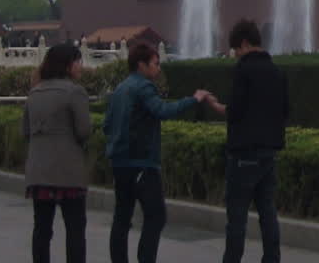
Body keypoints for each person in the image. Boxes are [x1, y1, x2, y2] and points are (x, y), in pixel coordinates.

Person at [103, 42, 210, 263]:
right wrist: (193, 99)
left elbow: (106, 125)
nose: (158, 68)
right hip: (141, 163)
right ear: (141, 65)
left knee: (122, 217)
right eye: (155, 63)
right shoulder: (144, 87)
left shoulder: (120, 89)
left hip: (120, 163)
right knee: (156, 216)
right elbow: (162, 110)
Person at [206, 19, 289, 263]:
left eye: (236, 50)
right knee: (268, 213)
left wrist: (215, 105)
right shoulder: (277, 72)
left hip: (244, 154)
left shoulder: (243, 70)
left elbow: (235, 111)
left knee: (237, 218)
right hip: (269, 153)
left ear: (244, 44)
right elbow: (285, 110)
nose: (236, 55)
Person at [24, 43, 92, 263]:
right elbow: (84, 131)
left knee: (42, 229)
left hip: (39, 171)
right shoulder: (75, 92)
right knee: (75, 228)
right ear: (67, 65)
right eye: (78, 61)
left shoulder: (34, 92)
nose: (81, 66)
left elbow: (26, 131)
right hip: (67, 171)